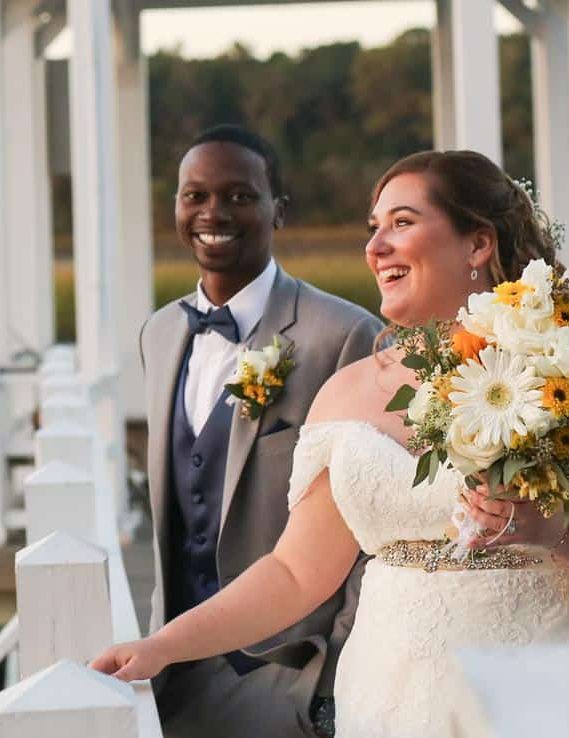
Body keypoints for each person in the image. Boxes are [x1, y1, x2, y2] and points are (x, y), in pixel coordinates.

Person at [94, 151, 569, 738]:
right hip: (390, 701)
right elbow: (295, 573)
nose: (376, 247)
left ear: (477, 244)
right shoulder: (348, 391)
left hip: (556, 695)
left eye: (401, 223)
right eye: (373, 228)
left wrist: (559, 531)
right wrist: (164, 646)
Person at [133, 124, 383, 738]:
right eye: (195, 196)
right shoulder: (159, 333)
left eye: (240, 196)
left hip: (286, 677)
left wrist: (326, 687)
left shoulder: (343, 334)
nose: (213, 212)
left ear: (280, 209)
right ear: (176, 208)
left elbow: (373, 524)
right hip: (171, 672)